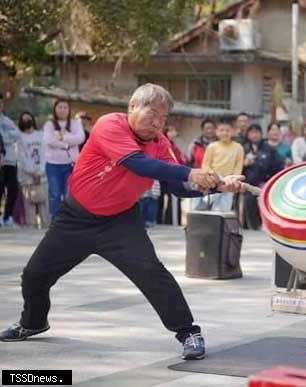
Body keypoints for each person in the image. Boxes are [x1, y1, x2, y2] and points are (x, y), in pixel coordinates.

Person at [0, 84, 245, 361]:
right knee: (34, 276)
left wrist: (218, 187)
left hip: (120, 222)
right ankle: (33, 322)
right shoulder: (110, 125)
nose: (158, 124)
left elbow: (175, 187)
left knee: (152, 273)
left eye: (164, 119)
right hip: (75, 218)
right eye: (152, 114)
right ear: (132, 107)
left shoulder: (161, 144)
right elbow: (138, 164)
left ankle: (188, 332)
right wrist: (192, 172)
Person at [43, 99, 85, 220]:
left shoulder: (75, 123)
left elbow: (80, 138)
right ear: (55, 109)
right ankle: (55, 220)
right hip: (53, 165)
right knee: (55, 195)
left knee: (69, 195)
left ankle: (68, 220)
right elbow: (49, 141)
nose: (62, 110)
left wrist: (63, 137)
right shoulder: (49, 124)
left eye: (65, 107)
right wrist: (66, 145)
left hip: (70, 164)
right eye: (59, 107)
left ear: (69, 109)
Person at [241, 124, 283, 229]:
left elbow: (278, 165)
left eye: (257, 132)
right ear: (248, 135)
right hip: (248, 185)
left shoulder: (269, 149)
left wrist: (270, 181)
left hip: (265, 185)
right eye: (252, 133)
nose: (254, 135)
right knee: (249, 208)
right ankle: (252, 228)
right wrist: (244, 164)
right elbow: (237, 167)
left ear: (261, 134)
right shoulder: (243, 149)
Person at [201, 121, 244, 211]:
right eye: (222, 130)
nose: (224, 133)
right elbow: (205, 165)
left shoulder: (238, 147)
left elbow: (238, 167)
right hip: (213, 181)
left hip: (229, 182)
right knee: (204, 205)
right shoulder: (212, 146)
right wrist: (214, 177)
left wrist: (232, 179)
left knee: (222, 210)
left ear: (232, 132)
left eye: (227, 130)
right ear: (217, 132)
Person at [17, 112, 49, 228]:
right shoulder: (19, 137)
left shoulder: (41, 135)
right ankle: (31, 230)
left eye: (28, 118)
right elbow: (21, 157)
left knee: (44, 204)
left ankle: (46, 227)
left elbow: (44, 154)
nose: (27, 121)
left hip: (42, 176)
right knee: (29, 205)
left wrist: (40, 171)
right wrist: (32, 171)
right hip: (27, 178)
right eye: (24, 119)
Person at [157, 124, 188, 225]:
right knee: (163, 200)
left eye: (174, 131)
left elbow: (181, 160)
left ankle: (170, 221)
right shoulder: (164, 144)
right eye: (171, 131)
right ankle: (169, 222)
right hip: (167, 176)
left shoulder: (173, 145)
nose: (174, 133)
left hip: (172, 175)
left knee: (172, 200)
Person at [0, 91, 21, 227]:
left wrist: (3, 136)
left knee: (13, 188)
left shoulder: (7, 120)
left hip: (10, 160)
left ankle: (7, 217)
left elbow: (17, 134)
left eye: (1, 103)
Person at [188, 119, 217, 210]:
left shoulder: (220, 144)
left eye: (211, 128)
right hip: (197, 179)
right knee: (195, 207)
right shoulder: (195, 144)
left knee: (213, 208)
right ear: (202, 130)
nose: (209, 131)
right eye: (207, 128)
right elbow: (189, 161)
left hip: (214, 179)